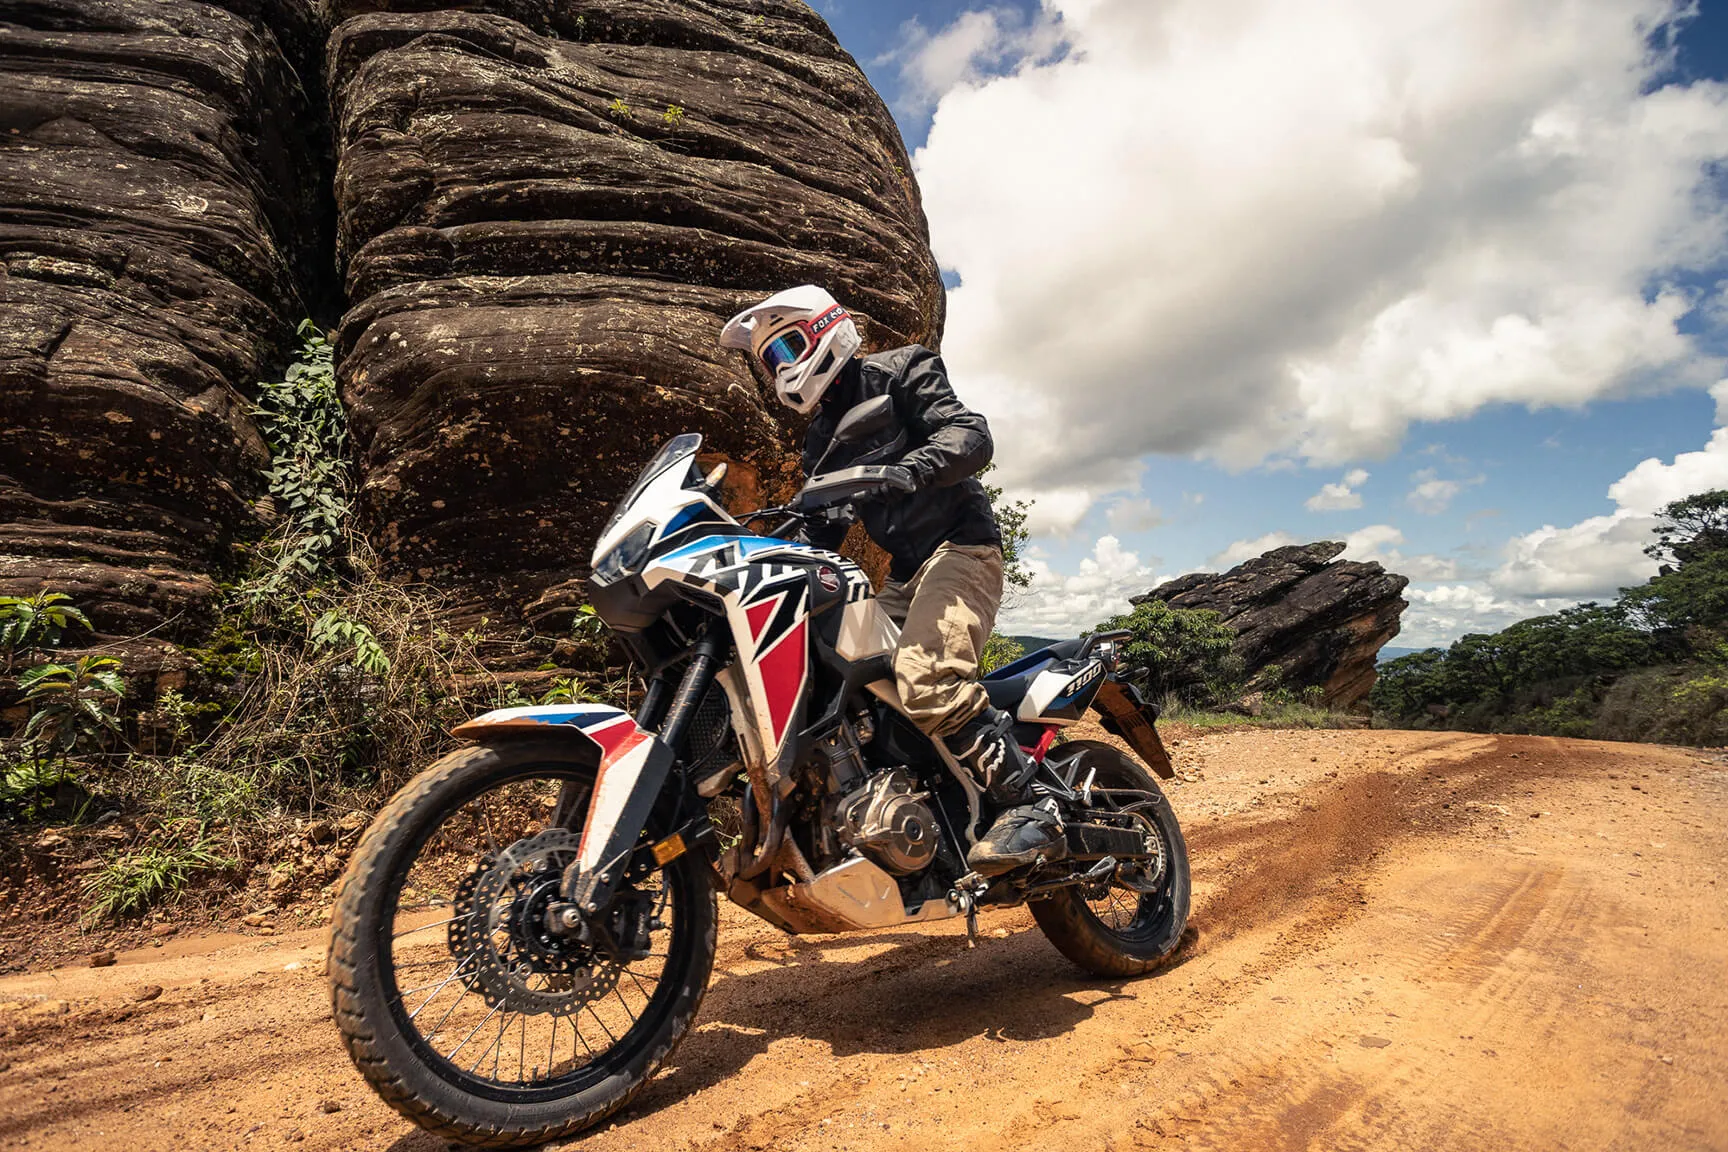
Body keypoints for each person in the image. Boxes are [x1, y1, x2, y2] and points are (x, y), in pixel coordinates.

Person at [720, 285, 1065, 876]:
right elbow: (822, 527)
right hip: (905, 576)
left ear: (828, 330)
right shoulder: (819, 441)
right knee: (855, 689)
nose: (782, 371)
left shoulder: (904, 368)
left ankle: (1036, 808)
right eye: (771, 361)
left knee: (927, 676)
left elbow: (970, 435)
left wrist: (914, 468)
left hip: (961, 548)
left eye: (788, 350)